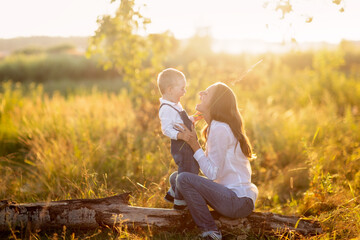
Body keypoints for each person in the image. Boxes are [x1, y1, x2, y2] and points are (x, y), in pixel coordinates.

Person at [174, 82, 258, 240]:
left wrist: (194, 144)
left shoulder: (220, 128)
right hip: (229, 196)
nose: (201, 93)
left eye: (206, 93)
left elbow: (212, 173)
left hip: (237, 201)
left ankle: (210, 232)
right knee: (177, 177)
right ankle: (184, 212)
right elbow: (210, 169)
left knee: (183, 179)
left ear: (215, 103)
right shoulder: (215, 127)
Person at [157, 68, 202, 210]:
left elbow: (179, 120)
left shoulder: (174, 104)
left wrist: (191, 119)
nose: (185, 92)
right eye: (182, 88)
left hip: (186, 143)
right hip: (180, 145)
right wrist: (180, 135)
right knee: (187, 170)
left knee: (193, 167)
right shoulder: (166, 108)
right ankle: (180, 201)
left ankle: (173, 192)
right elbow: (166, 129)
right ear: (170, 89)